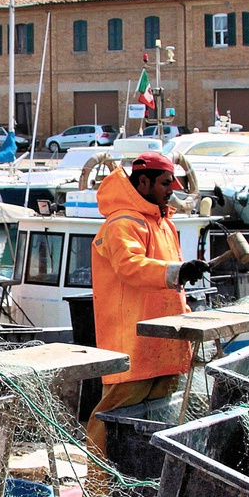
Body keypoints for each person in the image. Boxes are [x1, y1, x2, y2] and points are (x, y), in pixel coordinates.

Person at [84, 150, 208, 462]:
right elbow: (130, 266)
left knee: (156, 424)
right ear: (144, 181)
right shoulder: (121, 224)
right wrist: (178, 271)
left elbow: (171, 288)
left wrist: (188, 321)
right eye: (166, 182)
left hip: (165, 346)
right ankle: (99, 495)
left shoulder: (164, 223)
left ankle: (142, 491)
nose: (173, 189)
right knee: (110, 423)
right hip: (133, 351)